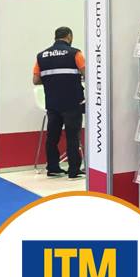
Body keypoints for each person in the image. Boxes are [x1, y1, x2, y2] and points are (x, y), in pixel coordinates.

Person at [33, 27, 85, 179]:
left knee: (52, 137)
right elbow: (86, 73)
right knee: (72, 136)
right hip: (72, 101)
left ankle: (53, 167)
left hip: (52, 102)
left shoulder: (41, 56)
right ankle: (74, 170)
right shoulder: (75, 53)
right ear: (69, 36)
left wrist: (51, 80)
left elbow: (36, 80)